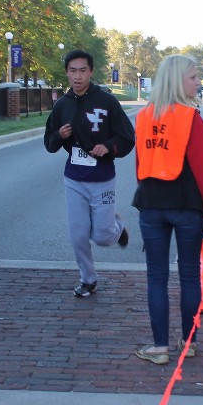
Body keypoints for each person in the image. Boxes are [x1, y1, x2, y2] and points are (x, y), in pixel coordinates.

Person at [132, 55, 203, 365]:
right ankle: (188, 342)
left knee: (156, 277)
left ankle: (159, 347)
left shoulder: (145, 117)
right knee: (189, 277)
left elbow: (139, 166)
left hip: (151, 203)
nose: (198, 82)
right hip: (187, 205)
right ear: (177, 81)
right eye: (193, 77)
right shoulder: (190, 119)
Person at [44, 49, 135, 297]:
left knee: (103, 237)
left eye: (83, 70)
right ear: (67, 73)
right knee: (78, 235)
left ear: (91, 72)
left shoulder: (106, 101)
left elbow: (127, 138)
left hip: (102, 179)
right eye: (73, 71)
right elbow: (48, 142)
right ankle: (88, 279)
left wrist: (107, 147)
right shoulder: (62, 104)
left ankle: (117, 225)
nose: (77, 76)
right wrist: (58, 136)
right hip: (73, 179)